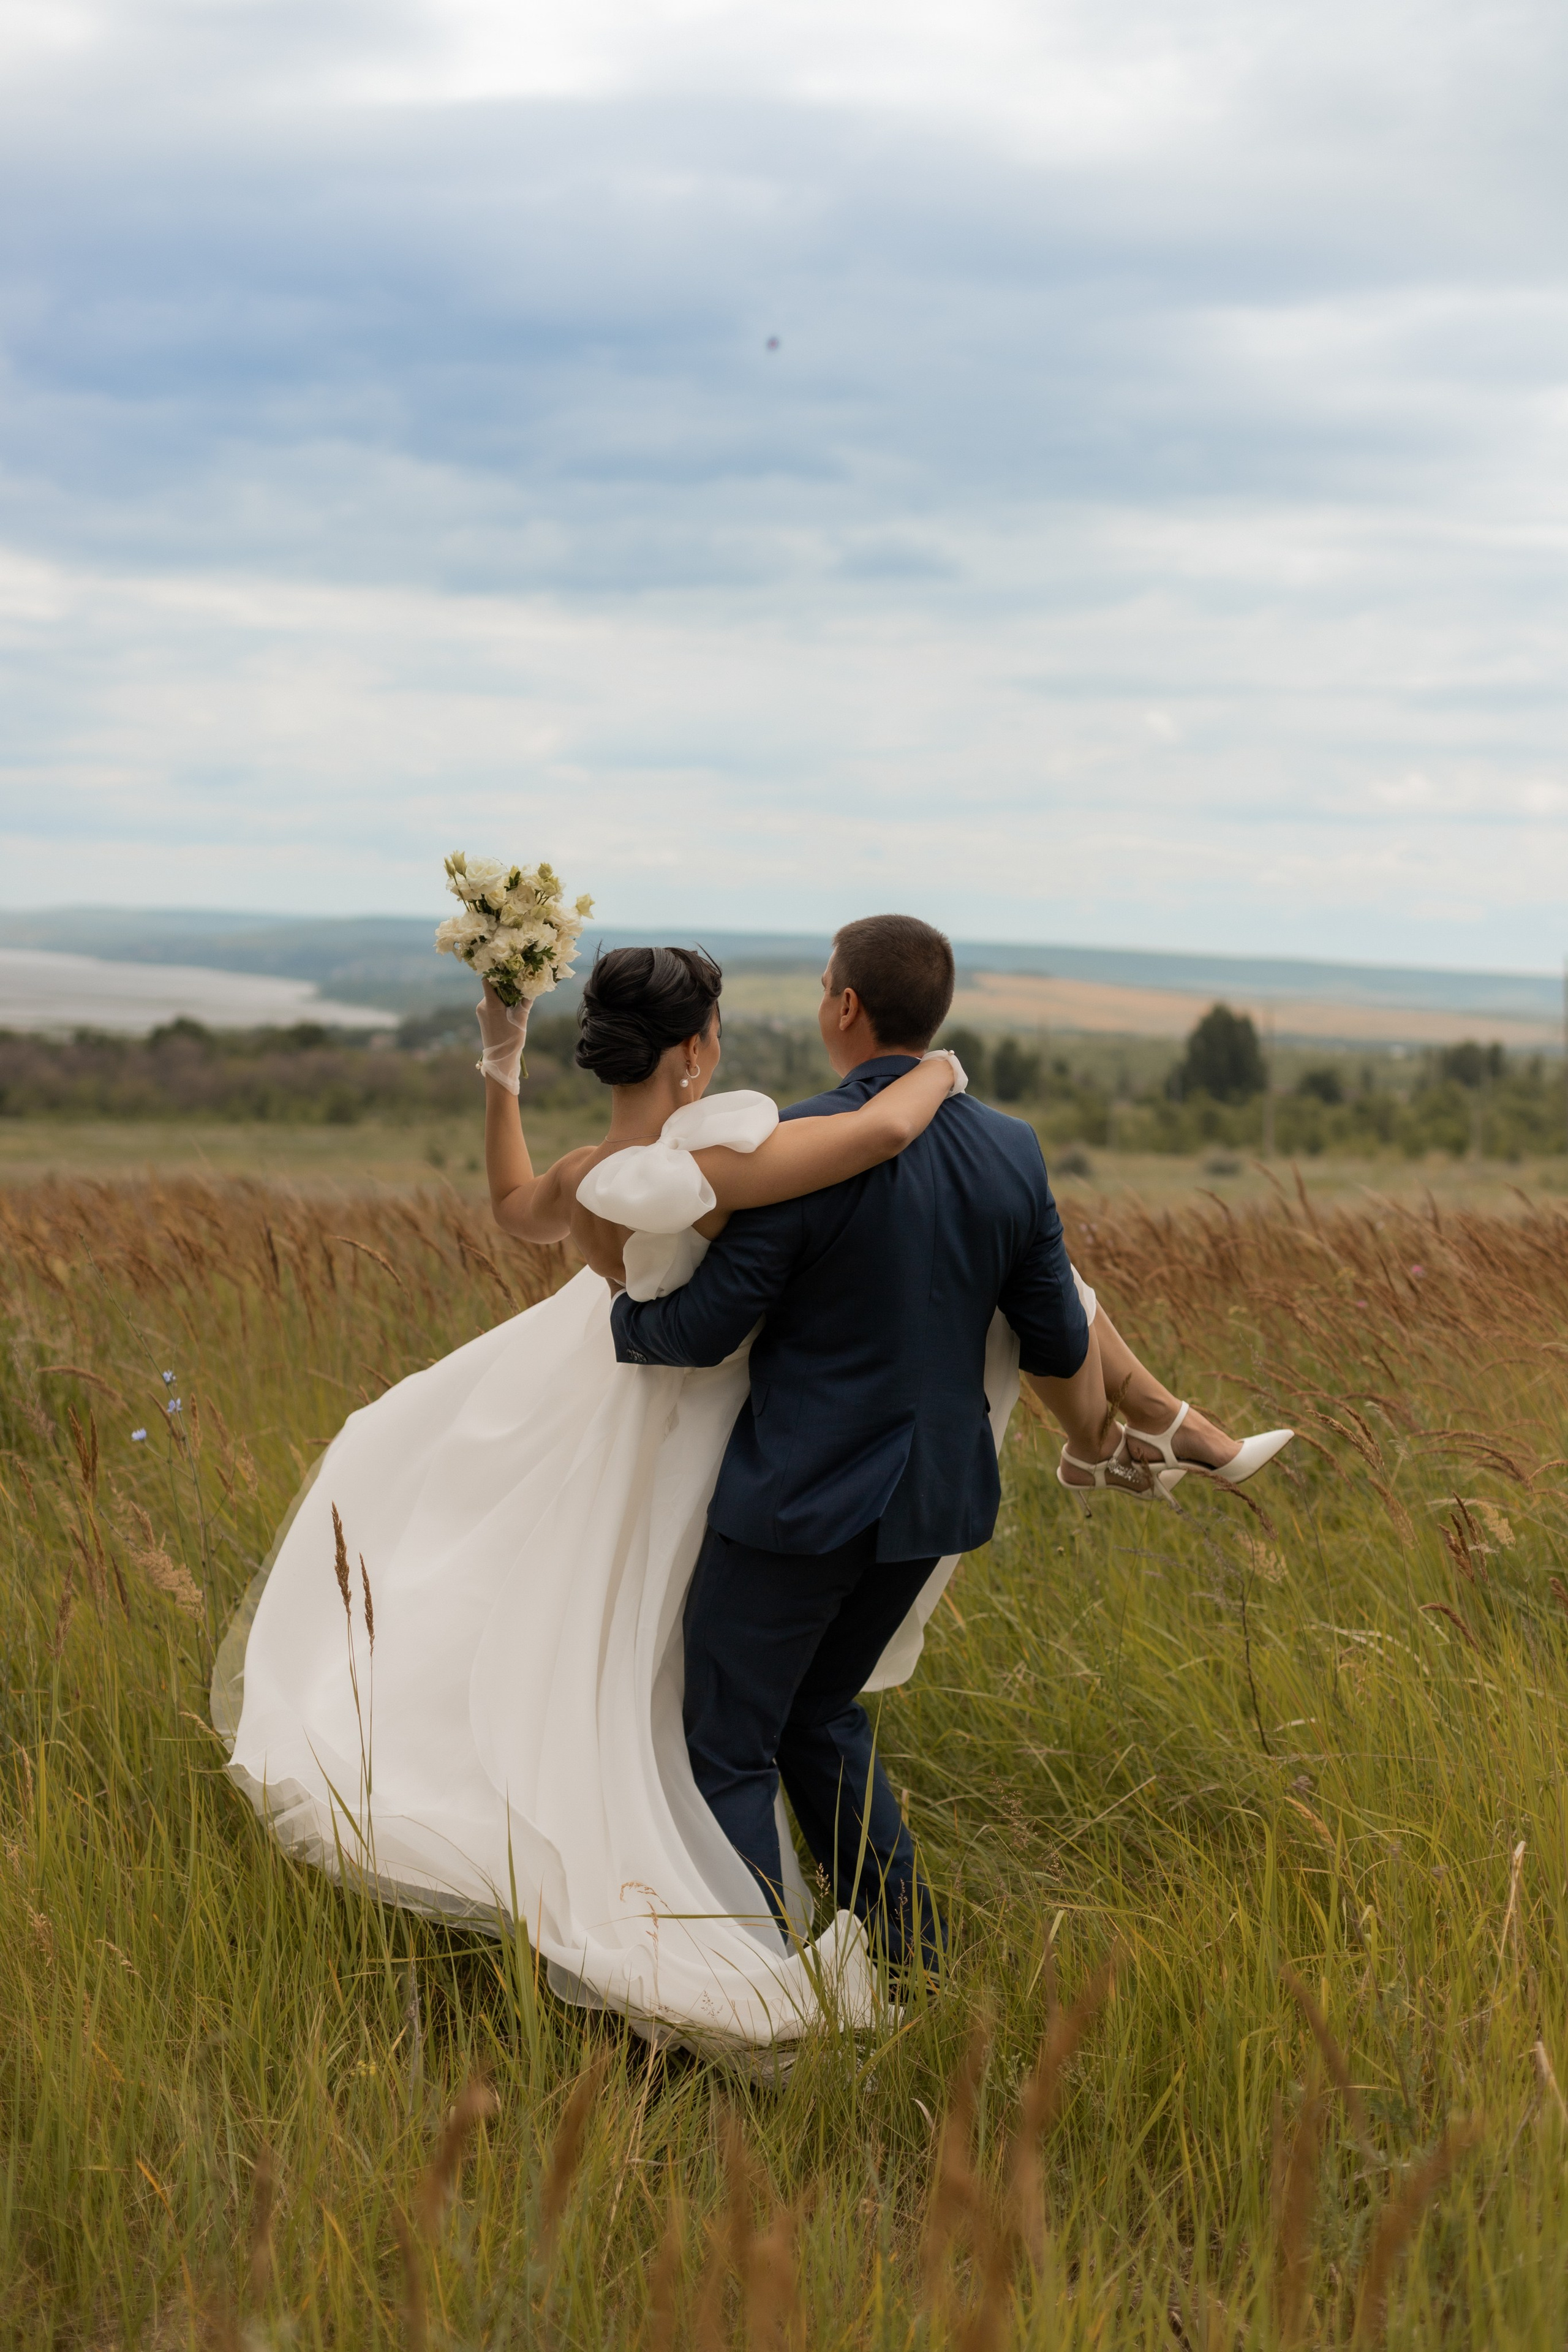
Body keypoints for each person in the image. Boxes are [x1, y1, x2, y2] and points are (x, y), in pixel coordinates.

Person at [216, 932, 1287, 2053]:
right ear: (698, 1046)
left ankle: (764, 1958)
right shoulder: (817, 1152)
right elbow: (933, 1198)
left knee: (694, 1717)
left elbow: (545, 1226)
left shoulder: (653, 1166)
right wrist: (940, 1074)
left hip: (741, 1464)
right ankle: (826, 1960)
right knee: (783, 1717)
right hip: (834, 1463)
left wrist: (502, 1063)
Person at [608, 914, 1290, 1972]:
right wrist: (1104, 1424)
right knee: (821, 1718)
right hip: (936, 1496)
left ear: (843, 1006)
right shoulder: (1009, 1147)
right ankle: (912, 1957)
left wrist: (617, 1318)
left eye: (826, 983)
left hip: (800, 1501)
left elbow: (703, 1331)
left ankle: (749, 1990)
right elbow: (1059, 1329)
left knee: (727, 1745)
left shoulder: (792, 1150)